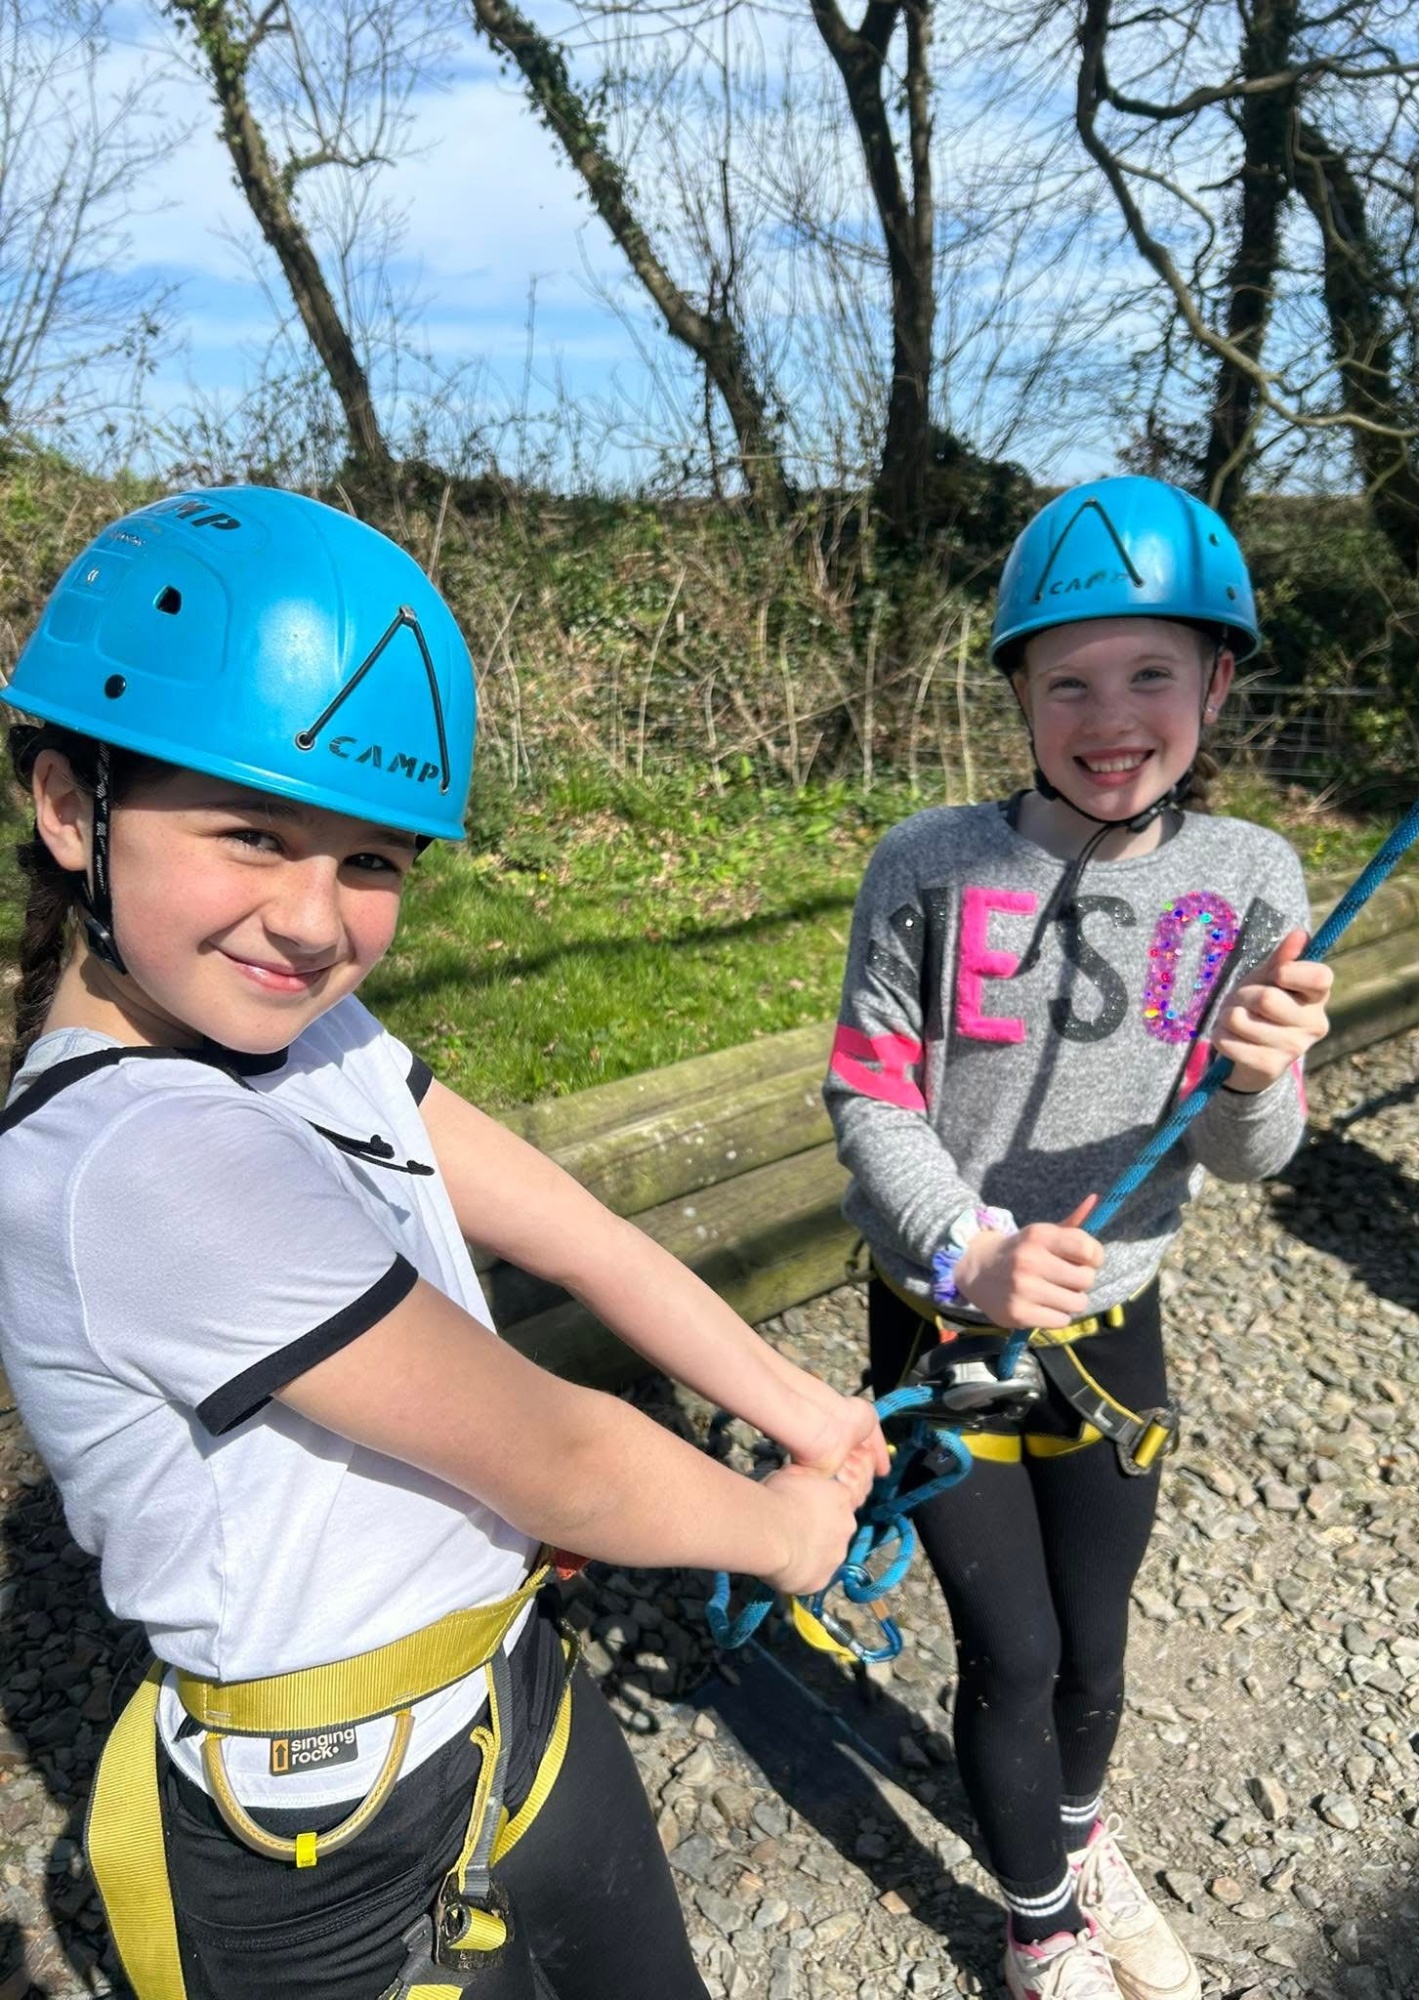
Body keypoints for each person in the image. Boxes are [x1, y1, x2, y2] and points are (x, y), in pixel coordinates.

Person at [0, 486, 883, 2000]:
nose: (312, 919)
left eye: (374, 862)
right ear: (74, 808)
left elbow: (588, 1237)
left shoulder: (316, 1042)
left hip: (514, 1695)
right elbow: (559, 1458)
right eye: (251, 835)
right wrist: (785, 1532)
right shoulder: (130, 1156)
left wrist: (810, 1412)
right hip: (325, 1838)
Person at [823, 477, 1333, 2000]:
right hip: (947, 1323)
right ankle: (1039, 1923)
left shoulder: (1251, 881)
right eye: (1069, 681)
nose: (1111, 717)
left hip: (1118, 1332)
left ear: (1219, 681)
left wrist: (1254, 1075)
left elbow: (1255, 1155)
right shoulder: (926, 864)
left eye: (1153, 674)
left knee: (1098, 1655)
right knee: (1014, 1655)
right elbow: (867, 1093)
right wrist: (963, 1249)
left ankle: (1078, 1842)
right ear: (1021, 696)